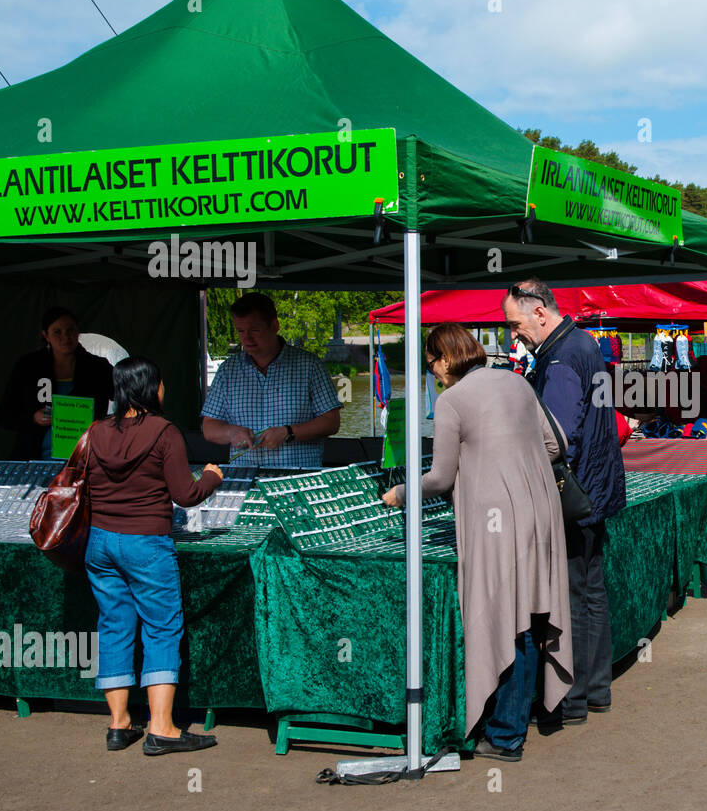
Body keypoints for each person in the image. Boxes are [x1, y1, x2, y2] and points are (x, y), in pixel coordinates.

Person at [382, 324, 570, 761]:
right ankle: (516, 722)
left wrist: (401, 494)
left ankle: (505, 736)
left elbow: (441, 477)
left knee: (509, 620)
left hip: (495, 523)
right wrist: (514, 465)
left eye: (431, 365)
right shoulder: (516, 380)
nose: (434, 374)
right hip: (539, 511)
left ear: (445, 359)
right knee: (529, 616)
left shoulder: (452, 401)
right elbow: (553, 445)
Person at [83, 358, 223, 754]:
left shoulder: (94, 432)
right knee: (161, 627)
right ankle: (162, 727)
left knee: (114, 625)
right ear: (151, 388)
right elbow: (185, 494)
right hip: (146, 543)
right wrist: (212, 476)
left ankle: (119, 724)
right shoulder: (164, 432)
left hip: (101, 543)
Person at [502, 280, 625, 725]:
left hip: (574, 495)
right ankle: (595, 690)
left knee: (572, 596)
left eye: (515, 324)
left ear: (539, 313)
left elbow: (553, 437)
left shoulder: (559, 357)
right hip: (595, 487)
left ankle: (571, 698)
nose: (513, 334)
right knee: (590, 591)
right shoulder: (583, 343)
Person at [200, 293, 341, 468]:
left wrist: (288, 432)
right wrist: (231, 432)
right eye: (240, 331)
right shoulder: (228, 371)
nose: (247, 338)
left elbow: (331, 422)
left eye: (254, 330)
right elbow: (209, 427)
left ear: (274, 326)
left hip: (298, 479)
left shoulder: (309, 366)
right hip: (246, 481)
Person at [0, 307, 115, 460]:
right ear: (45, 335)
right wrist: (33, 418)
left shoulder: (98, 367)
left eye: (70, 330)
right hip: (34, 459)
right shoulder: (27, 366)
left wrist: (107, 424)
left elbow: (128, 396)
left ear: (78, 332)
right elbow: (5, 416)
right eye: (57, 332)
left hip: (86, 460)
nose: (65, 337)